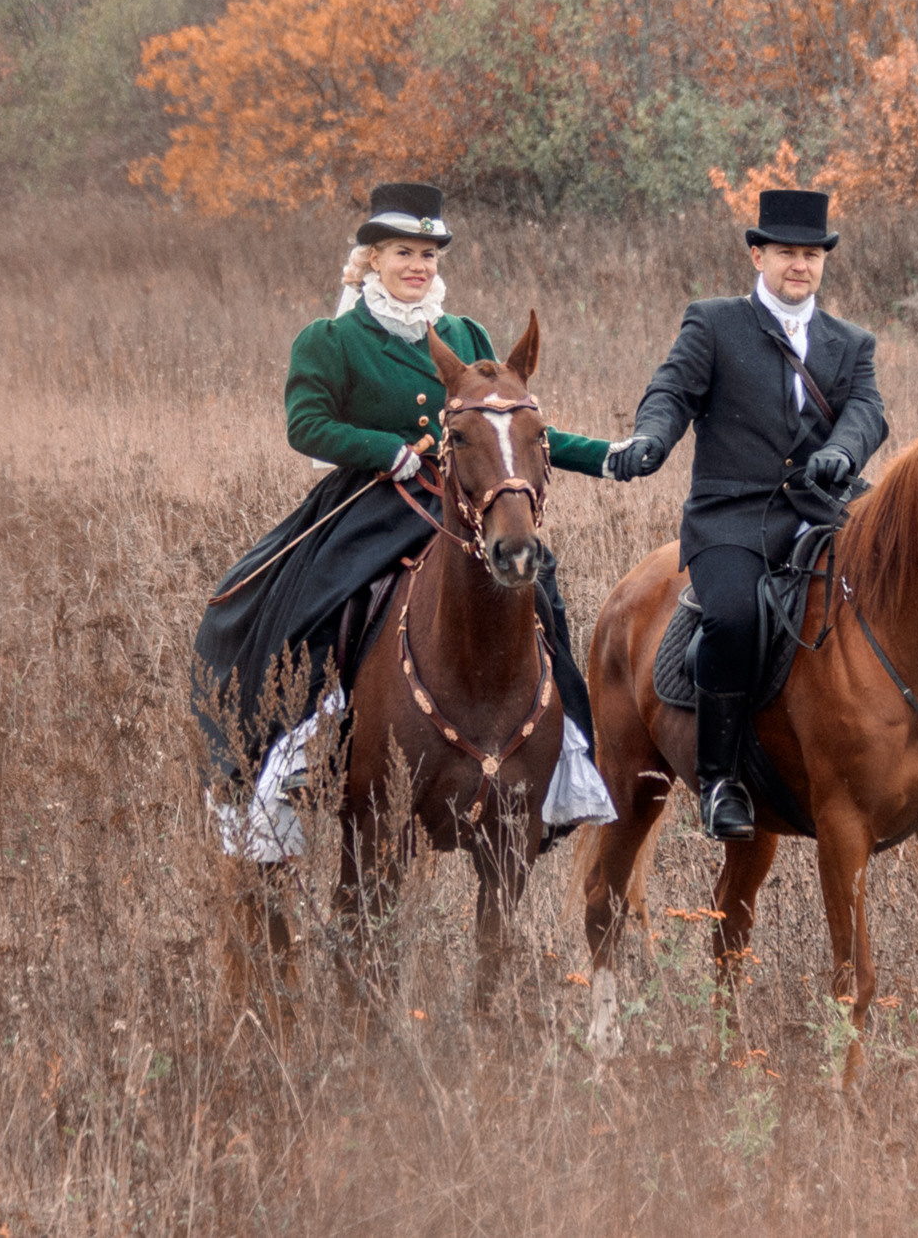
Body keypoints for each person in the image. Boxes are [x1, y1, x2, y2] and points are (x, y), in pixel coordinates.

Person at [192, 182, 616, 859]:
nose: (417, 264)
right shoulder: (333, 339)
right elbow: (306, 423)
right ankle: (304, 751)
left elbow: (506, 428)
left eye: (427, 252)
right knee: (327, 599)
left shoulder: (466, 334)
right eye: (402, 251)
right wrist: (381, 449)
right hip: (373, 501)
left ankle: (565, 761)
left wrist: (606, 457)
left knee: (543, 594)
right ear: (372, 257)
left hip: (468, 499)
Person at [606, 188, 890, 841]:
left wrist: (842, 455)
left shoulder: (851, 343)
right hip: (732, 516)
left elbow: (867, 411)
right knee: (732, 617)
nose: (800, 264)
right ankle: (720, 779)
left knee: (912, 572)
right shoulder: (713, 323)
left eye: (811, 254)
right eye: (787, 251)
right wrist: (651, 437)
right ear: (758, 254)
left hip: (825, 506)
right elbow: (671, 389)